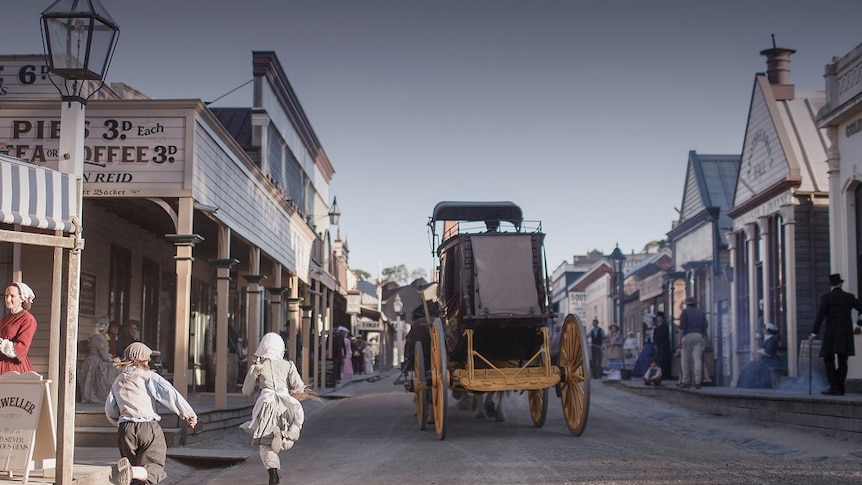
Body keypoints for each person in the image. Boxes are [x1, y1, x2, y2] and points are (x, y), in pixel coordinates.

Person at [105, 342, 197, 485]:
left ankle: (131, 472)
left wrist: (119, 422)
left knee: (134, 473)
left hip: (125, 429)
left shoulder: (118, 381)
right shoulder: (148, 376)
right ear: (143, 359)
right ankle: (132, 471)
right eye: (148, 359)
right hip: (148, 427)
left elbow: (110, 408)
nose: (149, 361)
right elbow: (169, 393)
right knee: (154, 467)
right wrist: (188, 413)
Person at [241, 332, 317, 485]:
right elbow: (299, 387)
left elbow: (246, 391)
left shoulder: (258, 366)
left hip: (266, 405)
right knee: (296, 421)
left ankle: (273, 474)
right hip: (285, 403)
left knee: (265, 443)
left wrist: (254, 373)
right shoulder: (288, 365)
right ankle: (286, 435)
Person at [808, 273, 862, 396]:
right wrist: (859, 325)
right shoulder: (849, 297)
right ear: (840, 283)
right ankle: (840, 387)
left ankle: (834, 386)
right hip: (845, 333)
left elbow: (820, 316)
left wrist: (813, 333)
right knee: (843, 360)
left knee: (828, 359)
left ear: (830, 285)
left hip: (831, 333)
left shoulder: (827, 298)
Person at [0, 282, 37, 374]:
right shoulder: (5, 319)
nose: (8, 299)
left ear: (22, 298)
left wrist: (2, 343)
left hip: (13, 367)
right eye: (6, 296)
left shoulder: (27, 319)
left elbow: (22, 348)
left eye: (12, 296)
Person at [79, 316, 117, 403]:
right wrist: (113, 359)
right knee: (112, 371)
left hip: (90, 361)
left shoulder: (95, 337)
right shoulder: (99, 338)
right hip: (95, 363)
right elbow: (104, 356)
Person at [738, 322, 783, 389]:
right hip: (766, 360)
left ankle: (754, 385)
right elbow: (765, 347)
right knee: (750, 366)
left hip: (771, 360)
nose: (763, 330)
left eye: (764, 329)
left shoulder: (772, 339)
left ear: (767, 330)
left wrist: (759, 344)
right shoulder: (770, 339)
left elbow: (768, 352)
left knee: (752, 367)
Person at [678, 297, 708, 389]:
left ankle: (686, 380)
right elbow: (705, 326)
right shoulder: (701, 313)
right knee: (697, 359)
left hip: (688, 335)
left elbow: (682, 328)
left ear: (687, 304)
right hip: (699, 335)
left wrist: (679, 340)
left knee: (685, 359)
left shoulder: (685, 313)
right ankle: (698, 381)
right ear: (695, 304)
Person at [652, 311, 672, 380]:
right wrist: (655, 343)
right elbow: (655, 336)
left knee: (664, 360)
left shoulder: (664, 326)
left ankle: (665, 375)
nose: (658, 319)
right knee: (660, 360)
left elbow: (662, 336)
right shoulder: (657, 326)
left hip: (664, 345)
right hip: (659, 345)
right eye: (657, 317)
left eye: (659, 317)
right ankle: (660, 374)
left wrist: (657, 342)